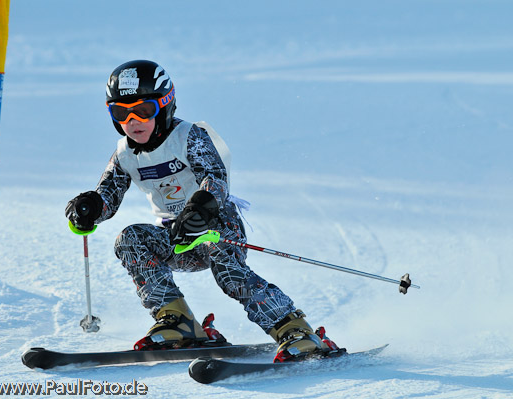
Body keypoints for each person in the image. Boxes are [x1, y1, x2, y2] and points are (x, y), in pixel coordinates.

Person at [65, 60, 339, 362]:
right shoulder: (124, 154)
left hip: (215, 223)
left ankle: (295, 330)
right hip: (176, 235)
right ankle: (178, 321)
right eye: (121, 113)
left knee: (229, 275)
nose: (132, 120)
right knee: (129, 239)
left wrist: (201, 207)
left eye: (143, 110)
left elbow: (215, 176)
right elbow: (109, 195)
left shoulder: (188, 137)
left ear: (165, 105)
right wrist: (89, 207)